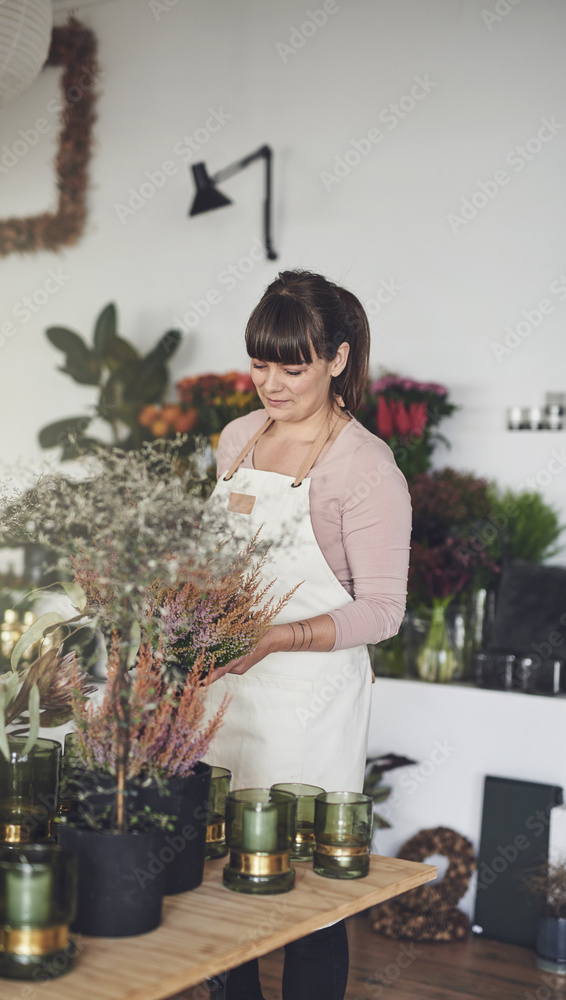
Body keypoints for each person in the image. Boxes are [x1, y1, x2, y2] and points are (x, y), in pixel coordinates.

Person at [204, 269, 412, 1000]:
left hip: (306, 704)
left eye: (292, 367)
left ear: (338, 359)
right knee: (219, 877)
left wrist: (275, 637)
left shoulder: (364, 468)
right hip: (224, 691)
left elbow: (383, 611)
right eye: (260, 364)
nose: (272, 384)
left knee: (307, 897)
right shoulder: (236, 439)